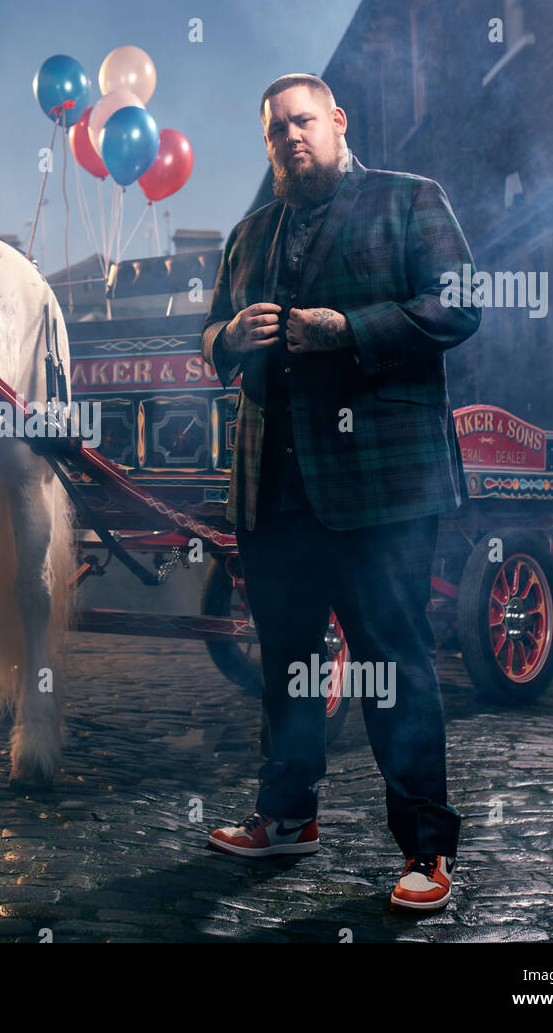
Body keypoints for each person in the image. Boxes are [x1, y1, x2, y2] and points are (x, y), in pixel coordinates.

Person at [199, 74, 481, 911]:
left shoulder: (408, 200)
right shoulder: (249, 235)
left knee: (396, 665)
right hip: (273, 494)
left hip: (383, 491)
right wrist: (227, 337)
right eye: (276, 129)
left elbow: (459, 305)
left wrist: (349, 331)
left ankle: (428, 849)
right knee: (287, 664)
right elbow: (211, 332)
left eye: (304, 121)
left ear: (338, 123)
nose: (291, 136)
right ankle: (287, 818)